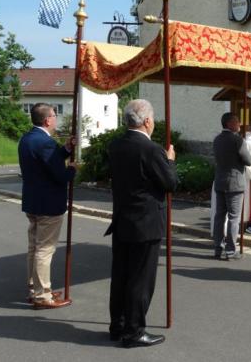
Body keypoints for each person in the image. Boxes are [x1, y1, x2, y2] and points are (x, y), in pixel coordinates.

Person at [106, 99, 178, 348]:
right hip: (145, 222)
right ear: (147, 121)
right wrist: (169, 160)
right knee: (140, 279)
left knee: (121, 276)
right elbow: (170, 183)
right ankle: (134, 331)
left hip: (123, 219)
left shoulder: (116, 145)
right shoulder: (151, 149)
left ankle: (118, 324)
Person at [18, 103, 76, 309]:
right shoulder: (45, 143)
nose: (56, 118)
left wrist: (66, 150)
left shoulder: (27, 139)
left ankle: (35, 289)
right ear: (47, 120)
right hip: (48, 204)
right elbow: (59, 175)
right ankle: (43, 295)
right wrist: (72, 170)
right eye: (54, 115)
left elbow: (47, 162)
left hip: (33, 200)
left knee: (34, 247)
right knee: (44, 249)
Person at [212, 112, 251, 260]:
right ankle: (230, 250)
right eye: (237, 121)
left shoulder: (217, 139)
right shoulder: (237, 140)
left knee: (219, 216)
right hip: (235, 183)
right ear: (229, 123)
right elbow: (249, 160)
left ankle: (218, 248)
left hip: (220, 181)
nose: (240, 124)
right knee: (234, 218)